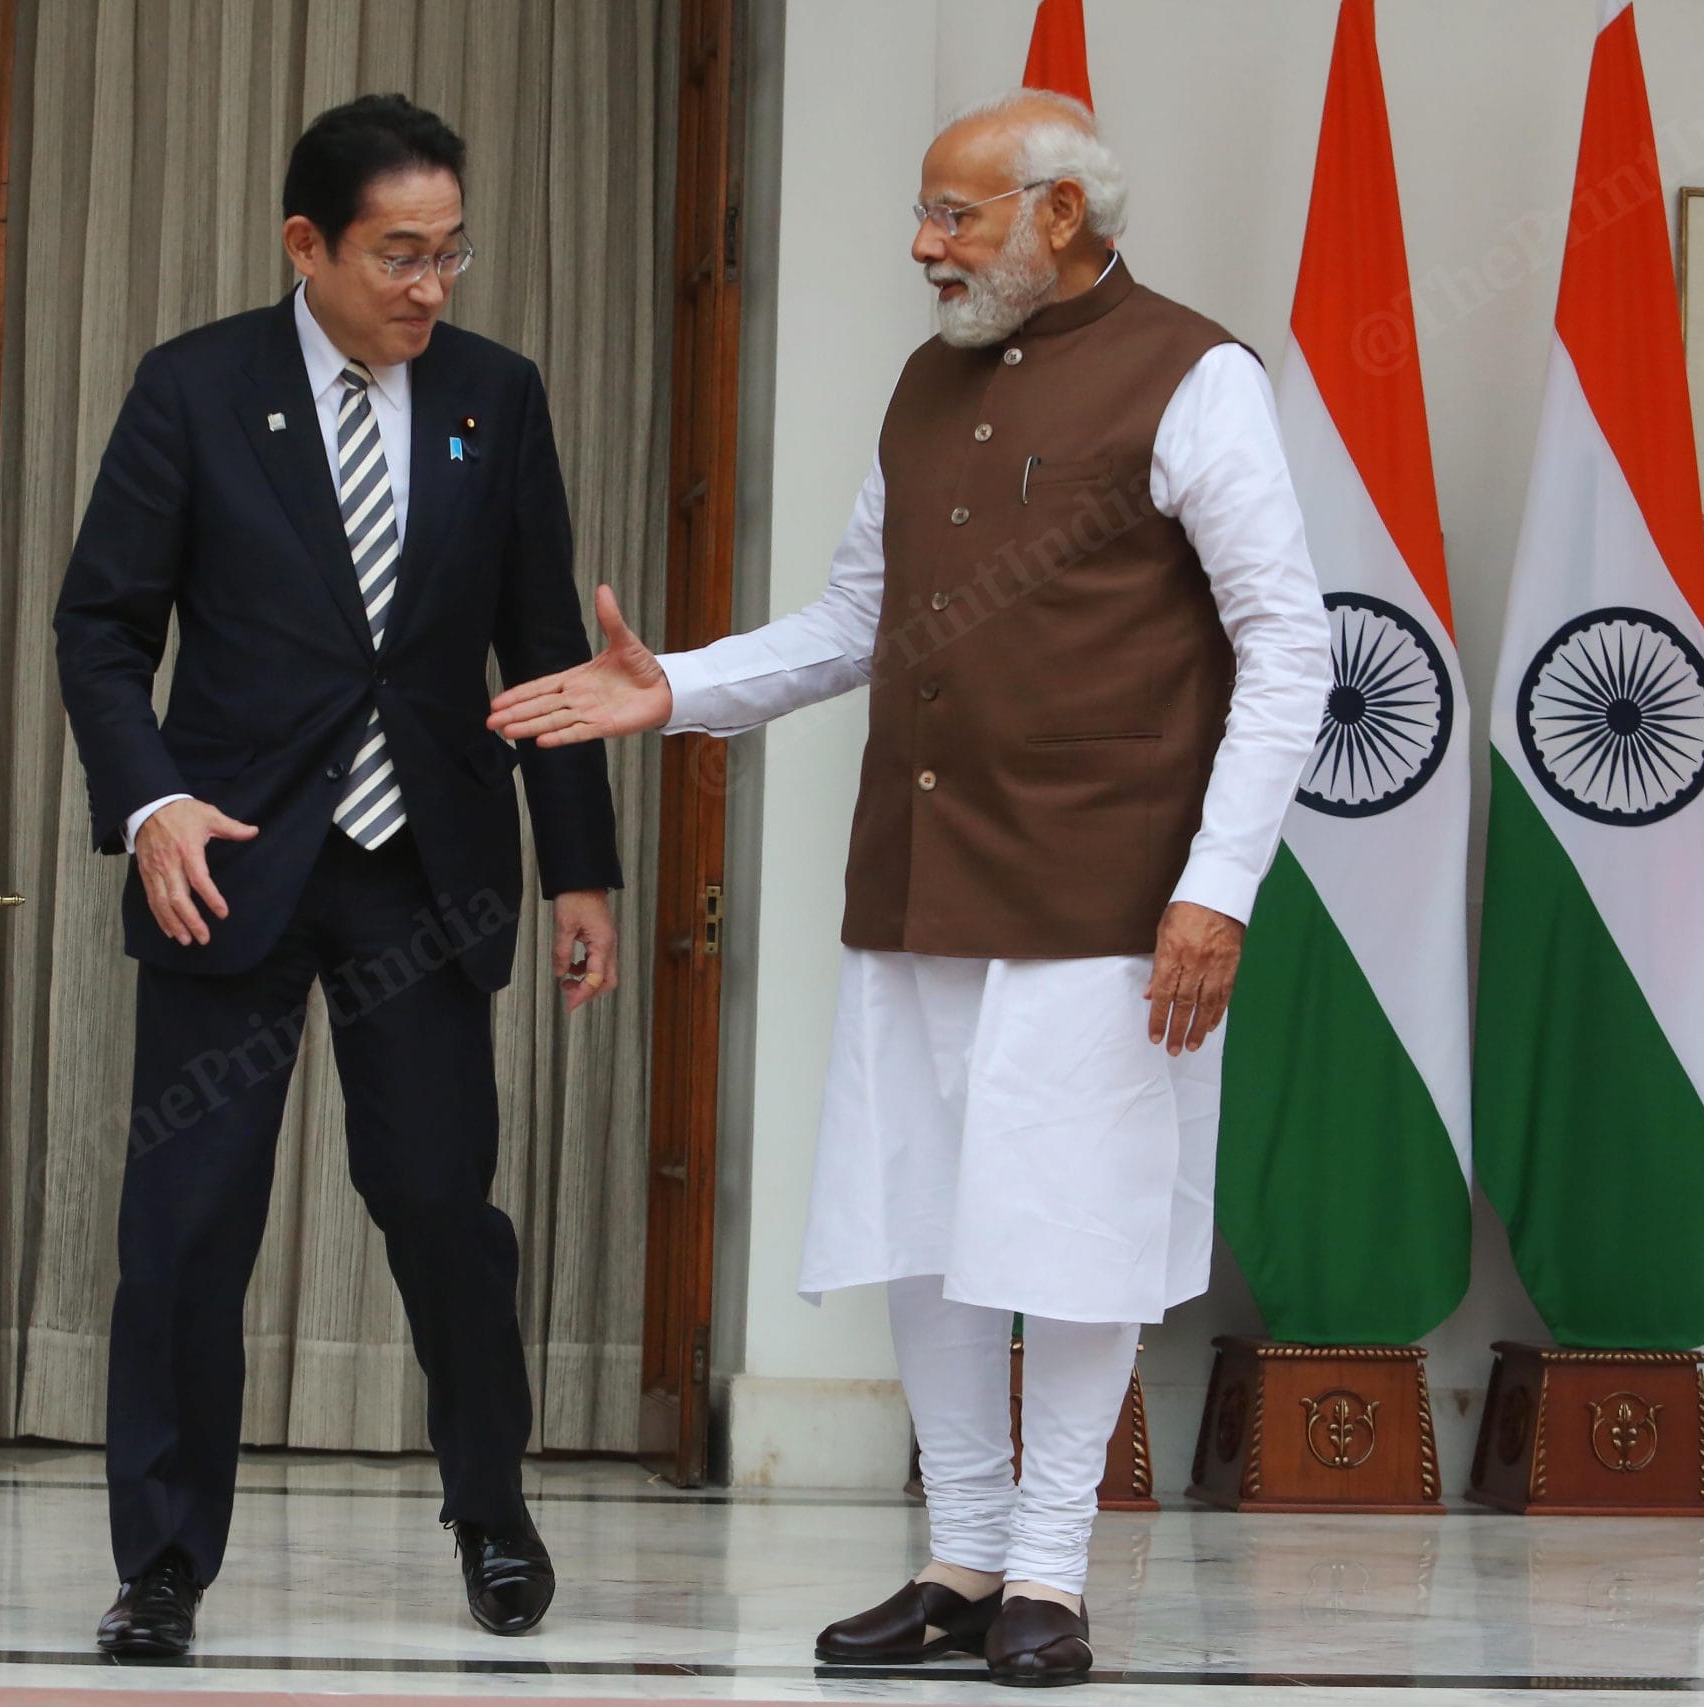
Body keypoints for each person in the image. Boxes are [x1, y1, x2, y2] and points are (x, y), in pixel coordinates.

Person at [489, 90, 1327, 1686]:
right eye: (928, 215)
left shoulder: (1197, 375)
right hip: (923, 872)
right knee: (929, 1220)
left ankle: (1054, 1580)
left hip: (1109, 892)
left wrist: (1216, 891)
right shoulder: (925, 384)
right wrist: (671, 687)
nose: (926, 245)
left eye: (957, 214)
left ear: (1062, 218)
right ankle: (962, 1557)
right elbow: (853, 622)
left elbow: (1292, 642)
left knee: (1072, 1231)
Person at [55, 92, 623, 1656]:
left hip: (420, 868)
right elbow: (102, 627)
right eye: (398, 255)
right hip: (226, 866)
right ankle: (163, 1564)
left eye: (451, 252)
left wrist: (583, 868)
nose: (431, 285)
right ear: (307, 244)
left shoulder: (494, 399)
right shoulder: (196, 390)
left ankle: (491, 1514)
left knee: (443, 1208)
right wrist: (152, 799)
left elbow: (542, 651)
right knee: (189, 1222)